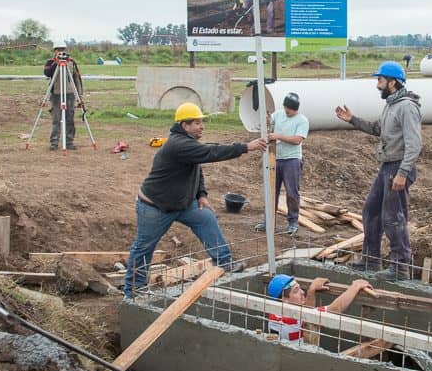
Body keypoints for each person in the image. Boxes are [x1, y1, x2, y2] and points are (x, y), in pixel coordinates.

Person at [123, 102, 267, 299]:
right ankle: (133, 291)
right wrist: (245, 147)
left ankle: (225, 262)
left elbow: (197, 168)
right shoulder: (178, 144)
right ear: (185, 125)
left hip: (182, 204)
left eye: (201, 122)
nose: (202, 126)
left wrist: (201, 195)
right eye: (197, 123)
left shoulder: (188, 146)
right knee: (144, 247)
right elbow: (210, 153)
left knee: (206, 218)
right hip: (155, 207)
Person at [334, 61, 422, 281]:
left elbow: (414, 144)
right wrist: (353, 120)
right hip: (387, 166)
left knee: (393, 217)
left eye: (380, 81)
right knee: (371, 211)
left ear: (392, 82)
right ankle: (371, 260)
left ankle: (400, 267)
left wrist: (402, 173)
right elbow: (378, 129)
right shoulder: (391, 105)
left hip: (398, 167)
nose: (377, 85)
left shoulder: (407, 107)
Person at [256, 92, 309, 235]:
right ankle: (268, 221)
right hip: (275, 158)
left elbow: (297, 140)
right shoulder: (278, 115)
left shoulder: (302, 120)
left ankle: (293, 222)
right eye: (286, 107)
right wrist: (267, 119)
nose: (287, 111)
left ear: (295, 109)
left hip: (292, 159)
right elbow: (269, 121)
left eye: (290, 109)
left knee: (292, 192)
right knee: (271, 190)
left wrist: (278, 136)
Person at [266, 274, 372, 342]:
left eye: (300, 288)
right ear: (285, 300)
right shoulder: (291, 320)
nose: (302, 292)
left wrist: (311, 292)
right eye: (296, 291)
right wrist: (356, 286)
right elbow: (335, 309)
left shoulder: (275, 314)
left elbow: (307, 313)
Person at [43, 43, 84, 150]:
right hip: (56, 95)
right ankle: (54, 143)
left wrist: (79, 96)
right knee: (56, 119)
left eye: (62, 49)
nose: (60, 51)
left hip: (70, 94)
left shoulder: (71, 62)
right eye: (58, 50)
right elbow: (47, 73)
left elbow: (77, 79)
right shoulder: (50, 62)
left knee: (70, 119)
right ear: (54, 51)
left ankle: (69, 142)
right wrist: (56, 62)